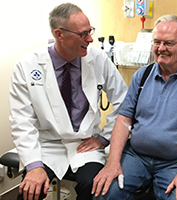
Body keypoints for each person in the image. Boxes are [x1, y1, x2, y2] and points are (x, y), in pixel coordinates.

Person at [9, 3, 127, 200]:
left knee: (93, 187)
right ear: (59, 34)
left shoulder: (97, 58)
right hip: (46, 145)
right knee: (29, 193)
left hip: (85, 144)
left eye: (90, 32)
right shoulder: (27, 65)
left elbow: (124, 101)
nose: (90, 39)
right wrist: (34, 165)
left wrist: (103, 138)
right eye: (82, 34)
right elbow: (21, 121)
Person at [91, 14, 177, 200]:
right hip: (136, 156)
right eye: (156, 42)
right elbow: (124, 119)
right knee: (104, 192)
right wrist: (112, 162)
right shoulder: (141, 76)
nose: (161, 48)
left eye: (168, 43)